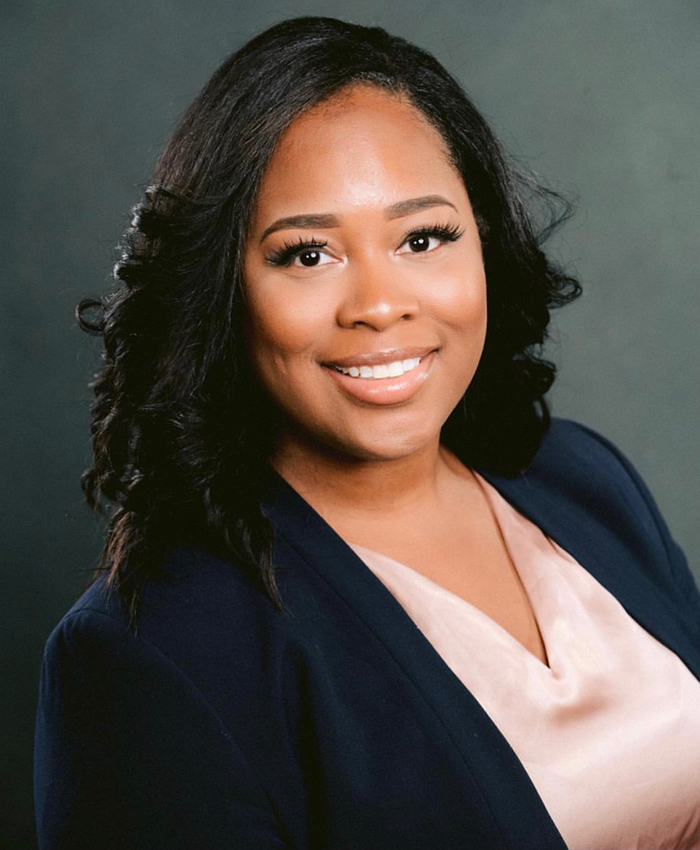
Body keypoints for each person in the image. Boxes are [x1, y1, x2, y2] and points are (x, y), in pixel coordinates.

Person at [34, 16, 700, 850]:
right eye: (308, 255)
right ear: (221, 288)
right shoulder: (149, 655)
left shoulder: (582, 478)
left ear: (484, 243)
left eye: (422, 238)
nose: (381, 305)